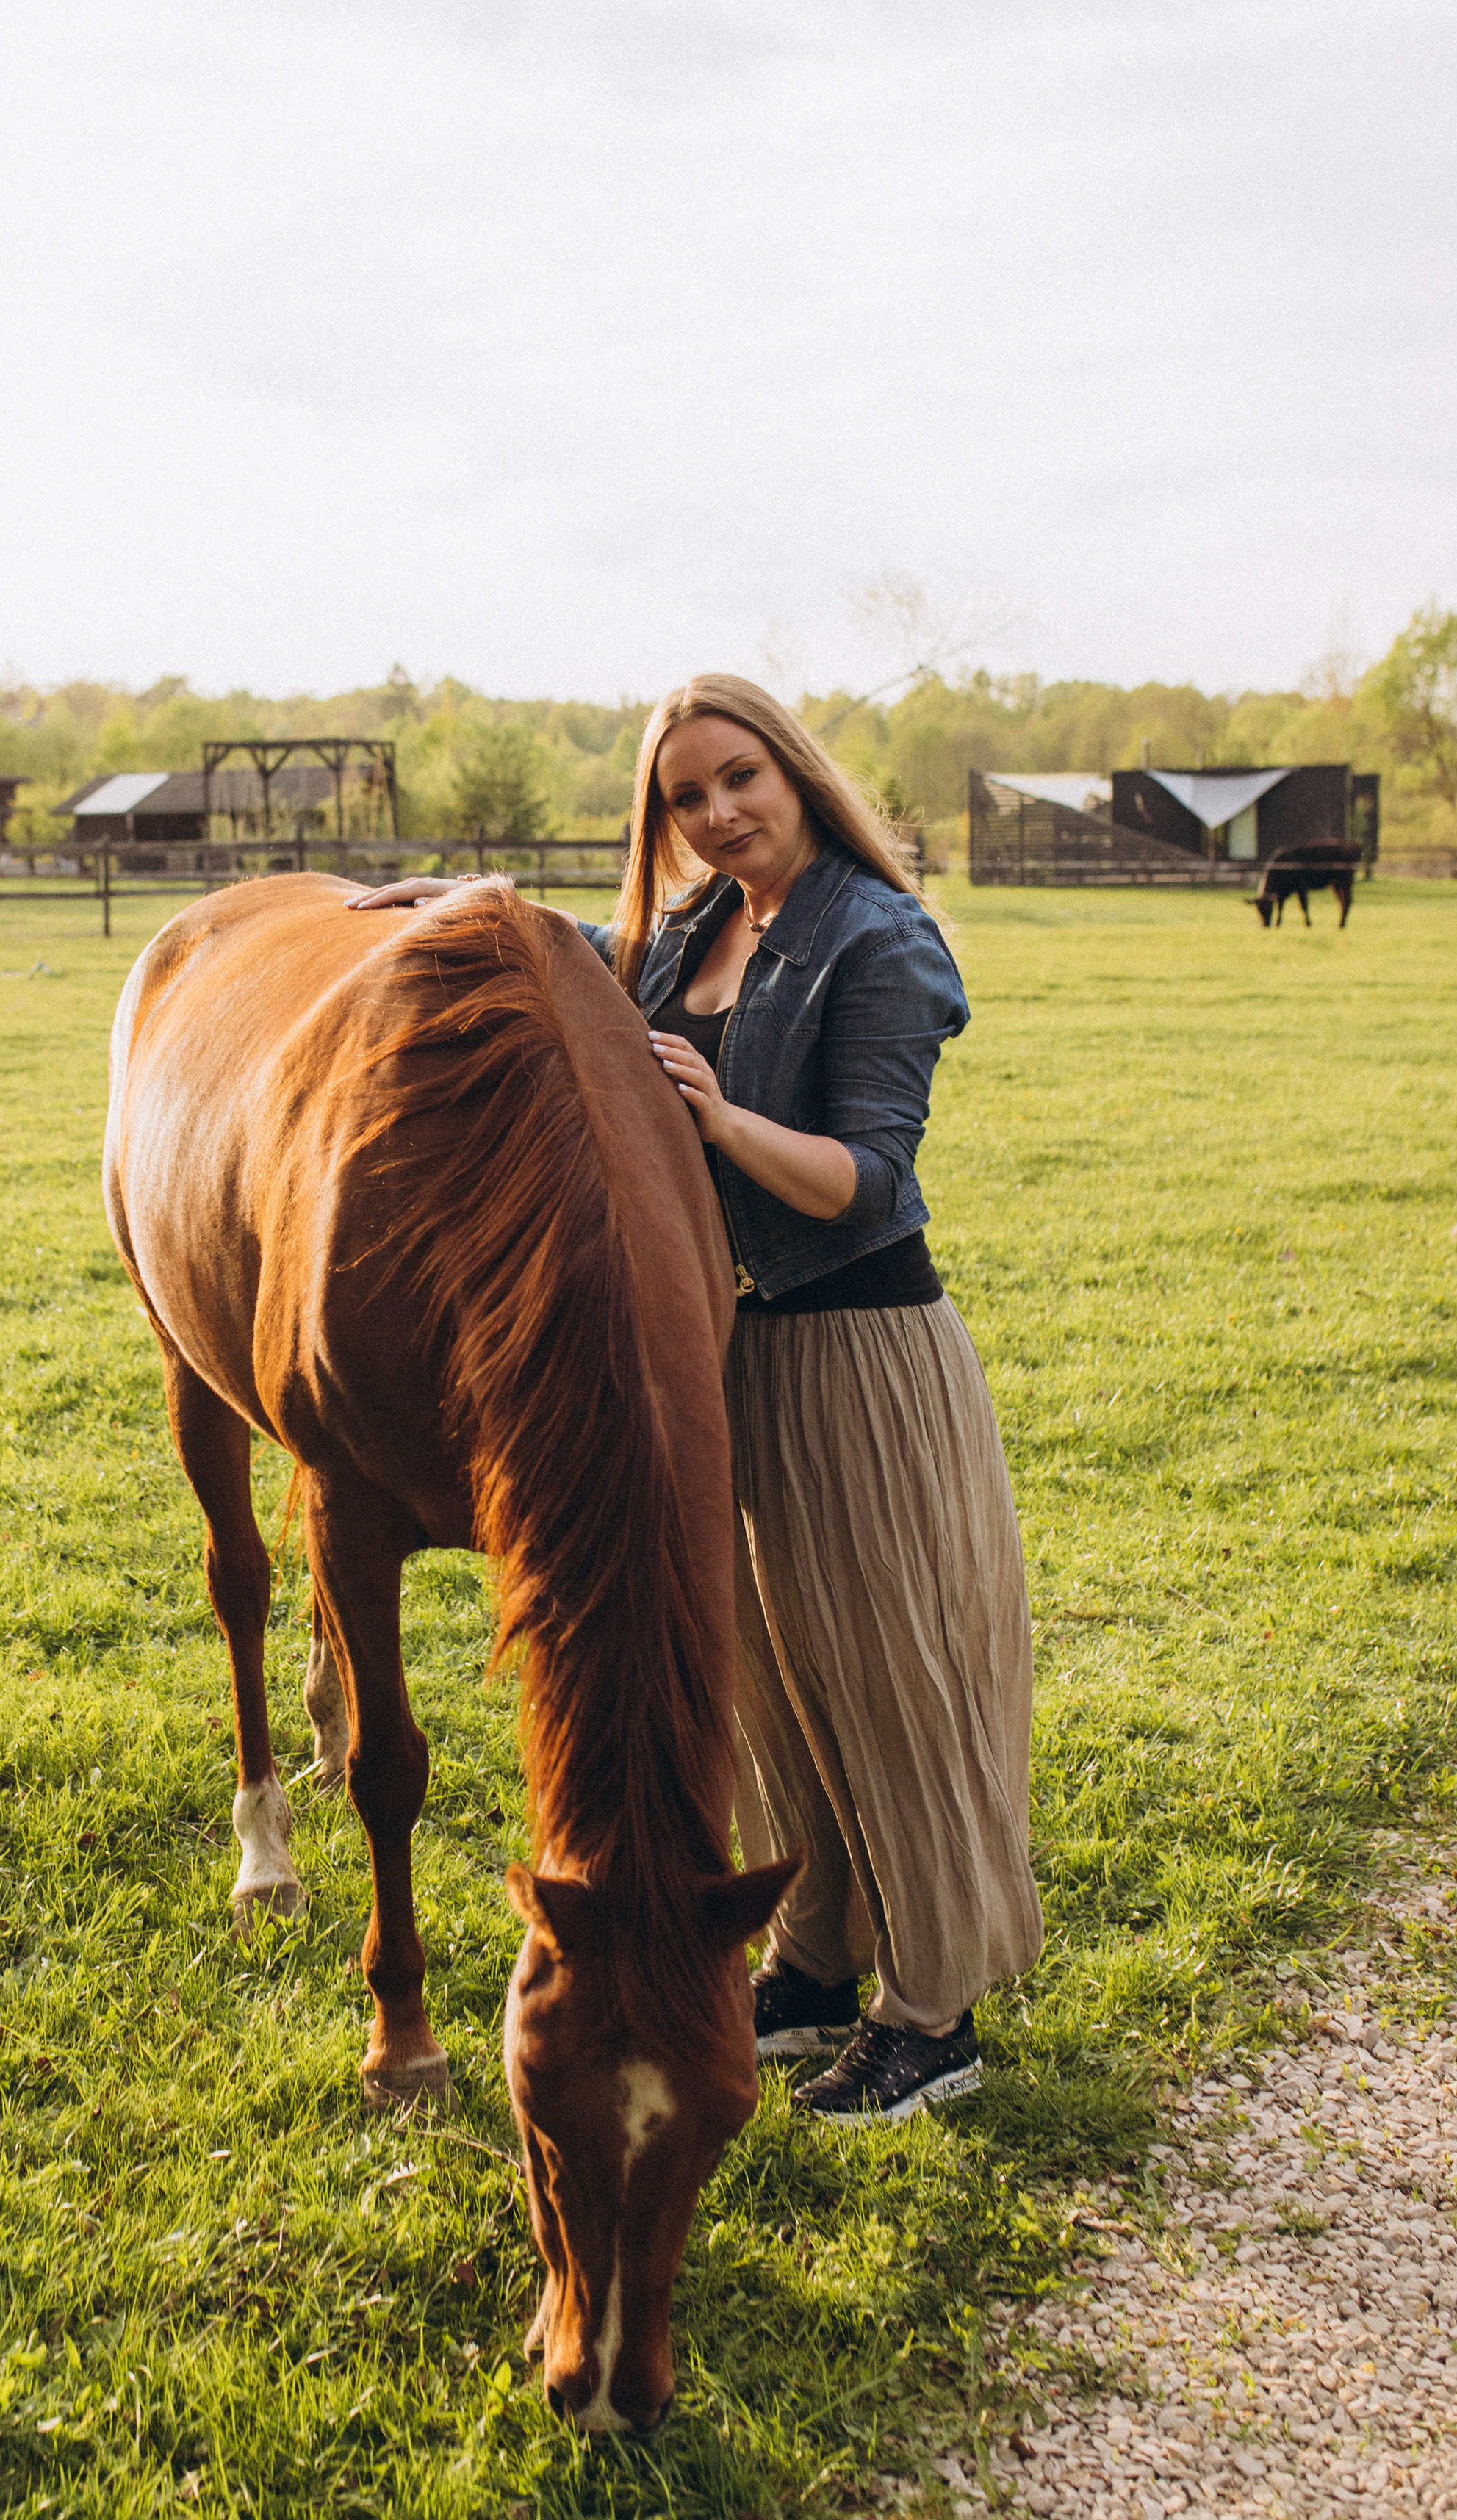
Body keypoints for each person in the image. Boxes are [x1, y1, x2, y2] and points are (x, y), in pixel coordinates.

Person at [348, 674, 1042, 2122]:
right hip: (729, 1352)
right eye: (684, 797)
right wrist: (460, 908)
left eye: (738, 779)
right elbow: (580, 991)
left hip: (854, 1345)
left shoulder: (878, 934)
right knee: (766, 1681)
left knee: (879, 1674)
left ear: (791, 771)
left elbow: (869, 1180)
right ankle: (809, 1962)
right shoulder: (691, 933)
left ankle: (933, 2015)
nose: (716, 814)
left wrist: (718, 1122)